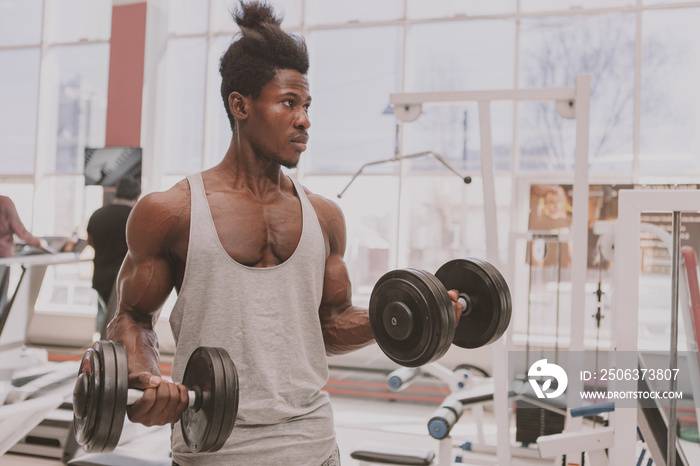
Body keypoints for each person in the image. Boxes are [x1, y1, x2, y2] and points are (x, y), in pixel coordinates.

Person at [106, 2, 463, 465]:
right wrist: (147, 379)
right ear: (241, 105)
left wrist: (413, 314)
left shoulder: (324, 216)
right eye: (288, 103)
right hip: (214, 448)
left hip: (312, 444)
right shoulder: (172, 211)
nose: (305, 119)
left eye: (307, 105)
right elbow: (131, 316)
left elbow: (330, 325)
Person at [87, 177, 141, 336]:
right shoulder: (135, 217)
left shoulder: (97, 214)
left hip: (100, 277)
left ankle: (99, 357)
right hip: (124, 281)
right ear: (136, 195)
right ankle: (116, 359)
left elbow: (91, 242)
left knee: (102, 326)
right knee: (120, 329)